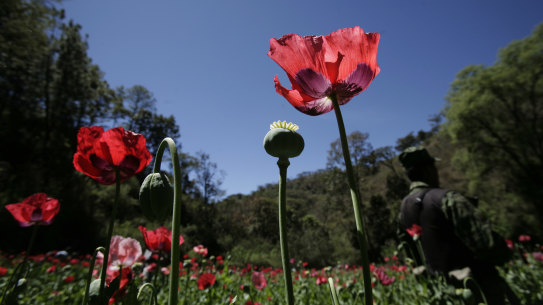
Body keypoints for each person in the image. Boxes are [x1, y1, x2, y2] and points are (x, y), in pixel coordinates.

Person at [398, 146, 519, 305]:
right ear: (427, 170)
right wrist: (508, 253)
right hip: (479, 290)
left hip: (441, 296)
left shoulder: (403, 211)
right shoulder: (447, 199)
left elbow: (410, 257)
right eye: (433, 167)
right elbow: (486, 243)